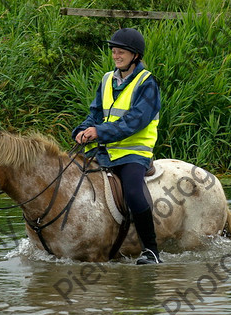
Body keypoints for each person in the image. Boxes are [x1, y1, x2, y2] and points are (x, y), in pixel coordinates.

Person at [72, 27, 162, 264]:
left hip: (133, 153)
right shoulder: (106, 79)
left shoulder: (148, 83)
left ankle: (151, 251)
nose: (116, 55)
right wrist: (82, 131)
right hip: (102, 151)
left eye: (121, 51)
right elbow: (95, 113)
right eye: (113, 51)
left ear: (135, 55)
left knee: (132, 191)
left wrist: (99, 131)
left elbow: (135, 121)